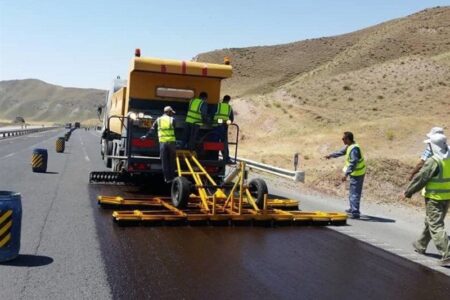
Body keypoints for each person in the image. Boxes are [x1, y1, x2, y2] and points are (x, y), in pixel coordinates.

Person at [400, 133, 450, 267]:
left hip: (434, 198)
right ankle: (421, 244)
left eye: (430, 144)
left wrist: (407, 192)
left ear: (434, 146)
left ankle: (447, 253)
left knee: (435, 225)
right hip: (446, 197)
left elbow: (421, 178)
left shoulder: (434, 161)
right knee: (432, 221)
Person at [324, 131, 366, 219]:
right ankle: (352, 208)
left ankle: (355, 212)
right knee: (352, 191)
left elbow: (353, 163)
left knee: (355, 193)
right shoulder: (349, 146)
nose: (342, 140)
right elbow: (340, 152)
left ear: (348, 139)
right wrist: (330, 155)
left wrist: (346, 174)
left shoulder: (354, 149)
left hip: (358, 173)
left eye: (343, 138)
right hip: (355, 172)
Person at [141, 106, 177, 183]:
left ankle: (167, 179)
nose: (172, 114)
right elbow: (174, 128)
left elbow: (152, 129)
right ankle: (172, 178)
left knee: (164, 162)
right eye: (171, 112)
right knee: (171, 162)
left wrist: (146, 136)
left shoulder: (158, 120)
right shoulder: (172, 120)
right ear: (168, 112)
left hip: (163, 143)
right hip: (171, 143)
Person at [213, 95, 234, 163]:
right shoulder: (229, 107)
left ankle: (213, 156)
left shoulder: (218, 105)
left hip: (216, 126)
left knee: (215, 141)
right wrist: (227, 122)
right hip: (224, 127)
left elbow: (212, 114)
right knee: (224, 142)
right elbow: (231, 119)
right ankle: (226, 158)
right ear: (228, 100)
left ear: (223, 99)